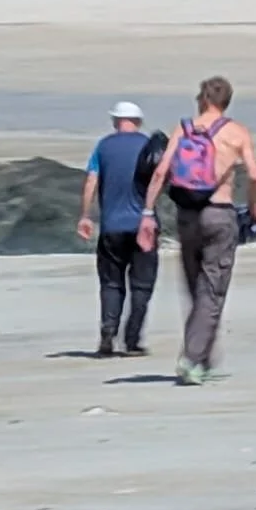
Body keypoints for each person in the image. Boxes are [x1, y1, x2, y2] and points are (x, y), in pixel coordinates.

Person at [141, 76, 256, 386]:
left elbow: (160, 171)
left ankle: (202, 357)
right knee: (211, 291)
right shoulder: (236, 133)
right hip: (219, 213)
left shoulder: (183, 129)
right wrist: (253, 206)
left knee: (195, 287)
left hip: (187, 215)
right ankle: (192, 360)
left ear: (204, 99)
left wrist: (147, 213)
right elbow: (255, 175)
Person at [77, 101, 158, 356]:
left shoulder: (103, 146)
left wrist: (86, 215)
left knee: (111, 283)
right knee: (142, 284)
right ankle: (132, 339)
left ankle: (108, 333)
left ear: (115, 121)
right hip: (143, 227)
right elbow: (160, 179)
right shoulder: (149, 145)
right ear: (139, 122)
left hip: (111, 227)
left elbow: (91, 181)